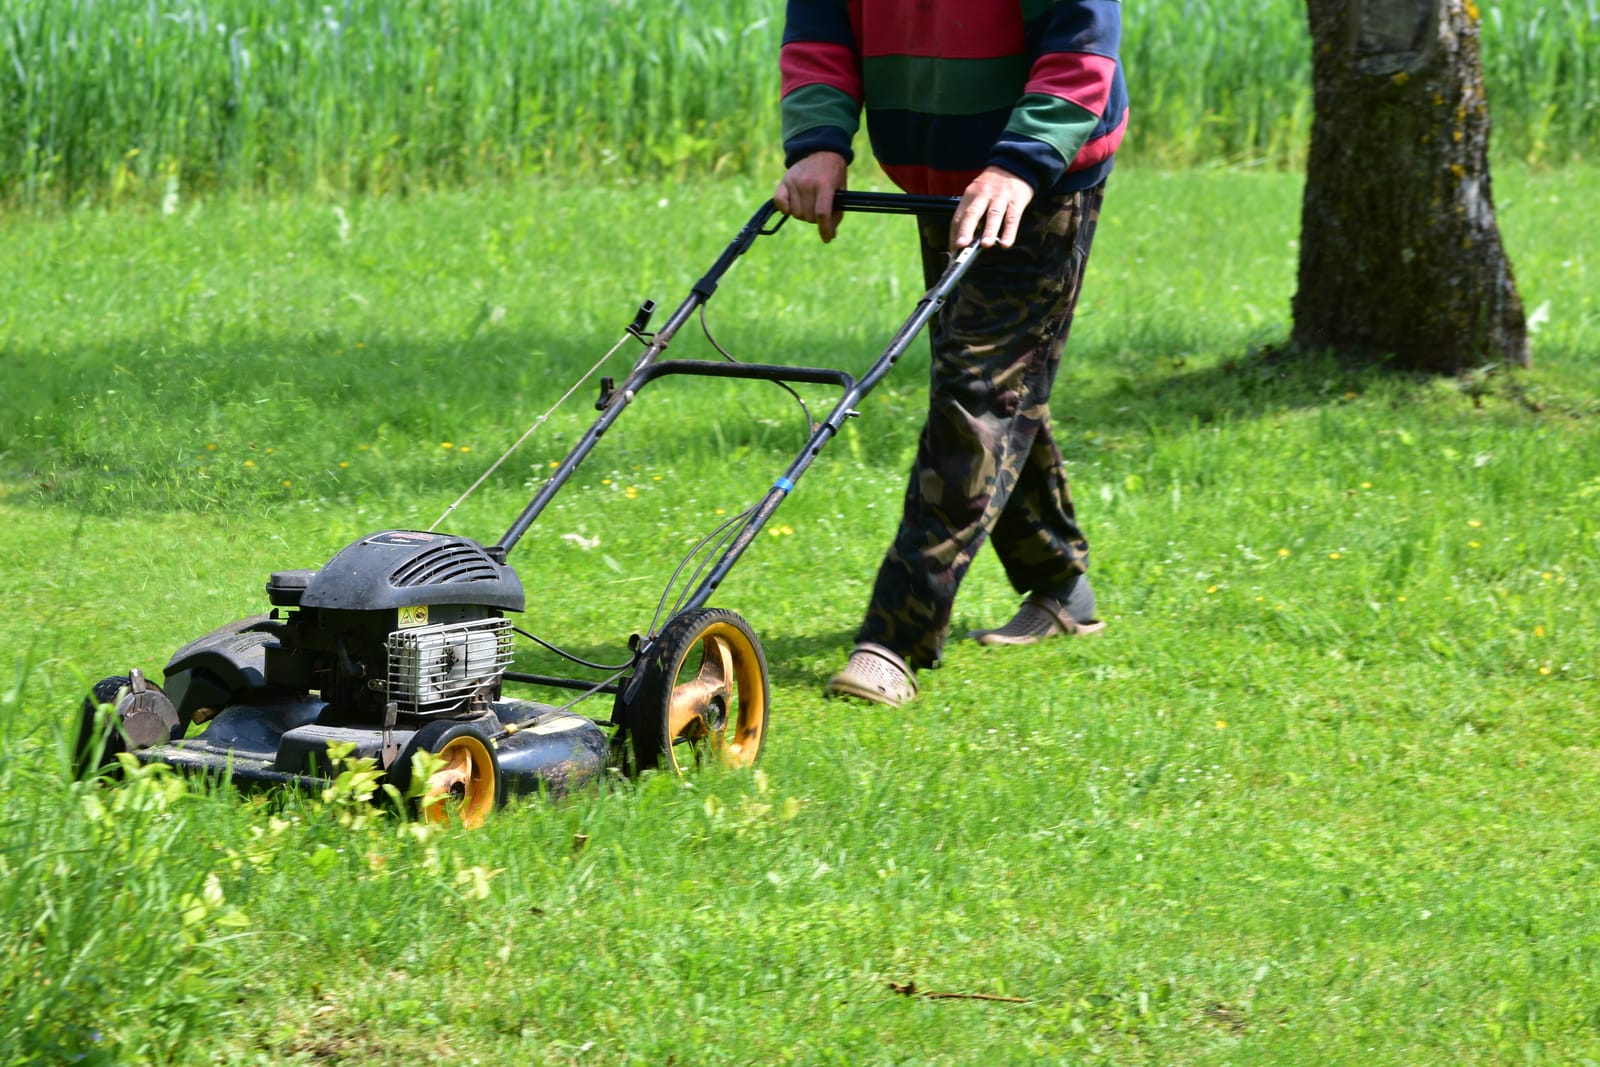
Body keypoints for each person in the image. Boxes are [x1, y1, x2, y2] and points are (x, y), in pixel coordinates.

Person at [773, 0, 1128, 707]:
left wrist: (1019, 165)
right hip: (938, 177)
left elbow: (1082, 45)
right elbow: (821, 31)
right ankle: (1062, 585)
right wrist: (818, 140)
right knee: (995, 384)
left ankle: (894, 638)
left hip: (1036, 181)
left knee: (978, 393)